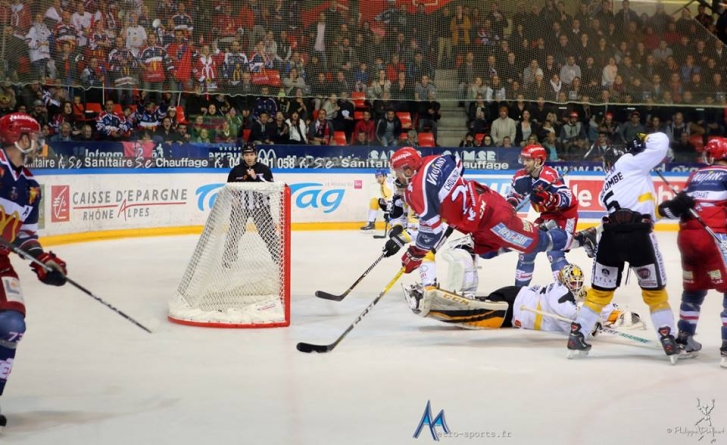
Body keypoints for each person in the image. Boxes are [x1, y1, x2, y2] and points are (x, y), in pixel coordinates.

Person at [385, 147, 596, 291]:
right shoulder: (436, 159)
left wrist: (416, 253)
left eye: (398, 172)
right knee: (484, 252)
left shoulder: (416, 192)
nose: (397, 177)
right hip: (484, 210)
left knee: (536, 246)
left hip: (492, 218)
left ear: (408, 168)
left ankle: (582, 239)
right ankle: (480, 289)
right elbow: (458, 165)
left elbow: (432, 232)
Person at [567, 133, 682, 363]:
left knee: (600, 293)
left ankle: (577, 334)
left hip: (610, 238)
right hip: (639, 238)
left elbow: (635, 210)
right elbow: (661, 144)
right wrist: (644, 138)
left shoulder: (608, 183)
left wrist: (665, 209)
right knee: (654, 293)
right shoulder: (629, 163)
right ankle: (668, 338)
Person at [0, 113, 68, 431]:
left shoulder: (31, 187)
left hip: (0, 260)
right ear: (19, 137)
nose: (38, 142)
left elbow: (25, 236)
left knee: (12, 324)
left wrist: (44, 262)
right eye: (34, 136)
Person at [401, 262, 643, 333]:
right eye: (574, 282)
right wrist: (592, 324)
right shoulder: (561, 295)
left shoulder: (571, 291)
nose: (578, 286)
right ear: (565, 281)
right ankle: (430, 303)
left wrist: (616, 313)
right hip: (513, 308)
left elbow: (595, 302)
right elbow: (569, 317)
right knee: (475, 312)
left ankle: (434, 299)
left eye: (579, 283)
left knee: (479, 304)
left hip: (515, 296)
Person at [657, 137, 727, 368]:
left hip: (687, 239)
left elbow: (674, 209)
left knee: (693, 291)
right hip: (714, 239)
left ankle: (685, 338)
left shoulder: (697, 175)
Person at [506, 145, 579, 286]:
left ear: (538, 161)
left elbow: (569, 199)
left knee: (555, 252)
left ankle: (567, 291)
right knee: (527, 248)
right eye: (523, 159)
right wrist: (509, 208)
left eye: (528, 160)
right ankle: (519, 293)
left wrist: (548, 197)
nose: (524, 163)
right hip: (546, 216)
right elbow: (514, 196)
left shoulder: (549, 176)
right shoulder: (520, 177)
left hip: (564, 216)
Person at [223, 143, 278, 266]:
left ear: (256, 155)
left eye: (251, 154)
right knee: (234, 232)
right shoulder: (235, 171)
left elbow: (270, 188)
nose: (249, 157)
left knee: (268, 233)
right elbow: (229, 189)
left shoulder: (264, 169)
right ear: (243, 156)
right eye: (246, 155)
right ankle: (228, 258)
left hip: (261, 207)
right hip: (241, 208)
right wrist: (234, 198)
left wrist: (255, 178)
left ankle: (278, 257)